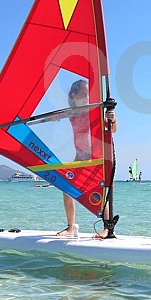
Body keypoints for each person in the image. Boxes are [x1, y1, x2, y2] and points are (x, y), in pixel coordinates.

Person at [56, 79, 117, 237]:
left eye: (89, 95)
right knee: (66, 188)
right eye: (83, 95)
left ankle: (107, 228)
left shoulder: (95, 111)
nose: (87, 99)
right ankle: (71, 227)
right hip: (79, 157)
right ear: (73, 96)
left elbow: (113, 129)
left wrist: (112, 118)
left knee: (102, 192)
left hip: (96, 157)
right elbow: (56, 116)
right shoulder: (72, 113)